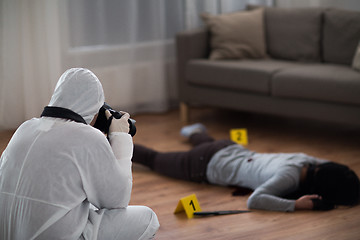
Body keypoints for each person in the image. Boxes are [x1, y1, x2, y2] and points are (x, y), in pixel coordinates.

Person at [0, 68, 159, 239]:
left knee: (86, 201)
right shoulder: (88, 137)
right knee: (148, 218)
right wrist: (120, 137)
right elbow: (118, 200)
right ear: (94, 108)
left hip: (10, 233)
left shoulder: (25, 128)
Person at [133, 123, 360, 212]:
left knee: (206, 142)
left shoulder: (304, 160)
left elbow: (330, 167)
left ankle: (193, 132)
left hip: (228, 147)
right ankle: (111, 139)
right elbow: (255, 200)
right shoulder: (286, 178)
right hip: (203, 165)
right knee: (153, 159)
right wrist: (296, 205)